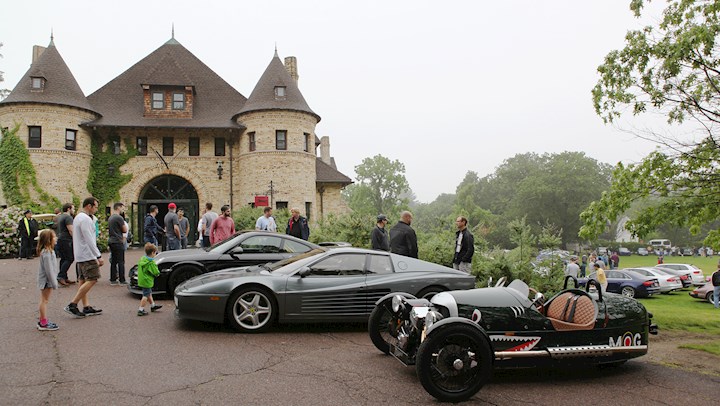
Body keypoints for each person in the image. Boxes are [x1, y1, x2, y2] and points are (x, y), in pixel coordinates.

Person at [64, 197, 104, 318]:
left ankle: (86, 306)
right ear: (89, 206)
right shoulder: (85, 219)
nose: (96, 209)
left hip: (80, 254)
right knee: (93, 279)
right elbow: (89, 239)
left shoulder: (78, 217)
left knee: (83, 280)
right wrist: (98, 255)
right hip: (87, 254)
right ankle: (73, 304)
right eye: (95, 206)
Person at [37, 229, 60, 331]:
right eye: (54, 237)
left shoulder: (48, 252)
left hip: (47, 280)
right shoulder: (47, 253)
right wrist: (54, 283)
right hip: (47, 281)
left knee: (44, 300)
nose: (56, 239)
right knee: (44, 301)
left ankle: (42, 320)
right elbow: (49, 270)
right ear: (49, 240)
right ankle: (43, 323)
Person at [136, 243, 163, 316]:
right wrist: (158, 273)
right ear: (152, 252)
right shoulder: (151, 263)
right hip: (147, 281)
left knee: (148, 293)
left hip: (142, 280)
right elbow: (155, 272)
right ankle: (141, 309)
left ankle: (153, 305)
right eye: (155, 253)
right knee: (145, 295)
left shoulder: (143, 259)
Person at [108, 202, 128, 285]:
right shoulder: (119, 218)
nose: (123, 210)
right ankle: (122, 280)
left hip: (111, 240)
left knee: (113, 261)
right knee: (121, 261)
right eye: (122, 208)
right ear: (118, 208)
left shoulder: (110, 218)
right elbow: (124, 230)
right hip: (118, 241)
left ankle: (113, 279)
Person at [56, 203, 76, 286]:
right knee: (70, 258)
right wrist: (76, 239)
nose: (74, 210)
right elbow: (71, 230)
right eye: (73, 209)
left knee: (63, 258)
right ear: (68, 209)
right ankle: (61, 276)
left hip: (60, 239)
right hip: (67, 240)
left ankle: (64, 277)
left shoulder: (60, 217)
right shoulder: (68, 217)